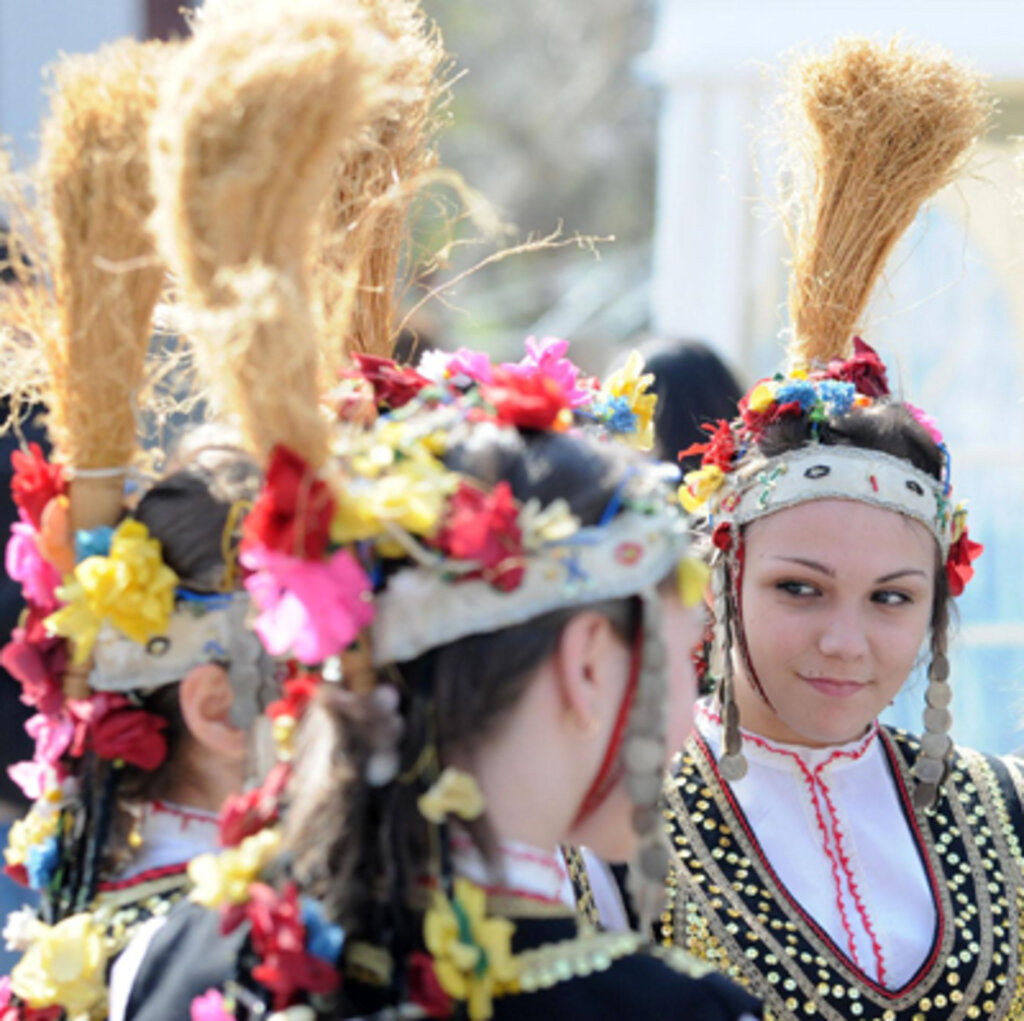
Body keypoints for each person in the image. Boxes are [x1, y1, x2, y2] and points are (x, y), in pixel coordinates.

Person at [119, 340, 761, 1021]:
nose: (689, 716)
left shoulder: (162, 958)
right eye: (685, 656)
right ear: (588, 665)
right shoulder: (678, 1012)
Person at [661, 37, 1024, 1020]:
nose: (845, 641)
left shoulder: (1004, 811)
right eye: (800, 587)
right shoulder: (611, 828)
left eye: (891, 598)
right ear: (721, 575)